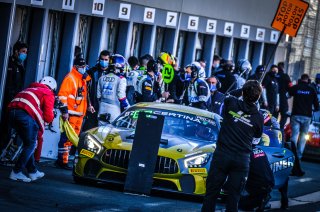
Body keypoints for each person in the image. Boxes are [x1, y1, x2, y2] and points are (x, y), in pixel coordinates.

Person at [202, 80, 264, 212]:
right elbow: (256, 141)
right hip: (241, 159)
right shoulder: (258, 117)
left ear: (243, 92)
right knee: (234, 197)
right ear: (258, 97)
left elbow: (228, 94)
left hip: (222, 155)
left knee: (212, 193)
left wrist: (244, 89)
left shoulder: (232, 103)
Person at [7, 76, 56, 182]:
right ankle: (16, 172)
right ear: (52, 88)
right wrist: (53, 115)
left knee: (27, 143)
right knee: (31, 144)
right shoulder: (48, 93)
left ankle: (32, 171)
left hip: (12, 112)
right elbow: (48, 117)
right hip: (25, 114)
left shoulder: (30, 89)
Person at [56, 56, 92, 169]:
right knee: (66, 138)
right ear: (75, 66)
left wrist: (89, 106)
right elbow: (62, 96)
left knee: (72, 138)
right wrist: (64, 111)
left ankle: (64, 160)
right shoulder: (70, 78)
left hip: (79, 114)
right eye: (80, 66)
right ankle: (62, 161)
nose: (83, 68)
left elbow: (85, 96)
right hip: (71, 113)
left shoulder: (82, 79)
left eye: (84, 66)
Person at [287, 73, 319, 176]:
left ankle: (292, 155)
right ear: (308, 80)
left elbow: (287, 94)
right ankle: (299, 157)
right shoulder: (311, 90)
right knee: (303, 137)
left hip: (296, 115)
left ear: (301, 79)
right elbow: (317, 105)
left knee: (294, 136)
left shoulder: (296, 87)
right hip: (306, 117)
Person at [1, 41, 28, 149]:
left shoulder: (20, 66)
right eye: (23, 51)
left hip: (15, 101)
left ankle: (6, 147)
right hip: (7, 100)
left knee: (9, 126)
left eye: (26, 52)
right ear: (16, 51)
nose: (25, 54)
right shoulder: (9, 64)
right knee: (4, 124)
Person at [238, 146, 274, 211]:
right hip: (268, 184)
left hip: (256, 188)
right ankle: (263, 199)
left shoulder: (244, 152)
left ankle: (258, 202)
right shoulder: (260, 150)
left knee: (238, 204)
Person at [82, 50, 110, 131]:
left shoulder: (111, 73)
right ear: (99, 59)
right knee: (88, 130)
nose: (104, 61)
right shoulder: (92, 71)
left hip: (106, 106)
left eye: (106, 59)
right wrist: (89, 104)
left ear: (109, 60)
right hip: (93, 105)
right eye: (102, 59)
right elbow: (86, 89)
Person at [97, 54, 129, 124]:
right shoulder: (121, 79)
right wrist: (127, 107)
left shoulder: (101, 78)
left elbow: (98, 96)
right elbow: (121, 96)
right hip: (114, 109)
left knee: (100, 132)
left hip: (102, 108)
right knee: (112, 133)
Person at [275, 62, 292, 129]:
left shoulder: (274, 75)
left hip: (273, 99)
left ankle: (273, 127)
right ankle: (280, 129)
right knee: (284, 115)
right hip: (283, 99)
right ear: (283, 67)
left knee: (273, 115)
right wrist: (288, 95)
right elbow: (290, 86)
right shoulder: (285, 76)